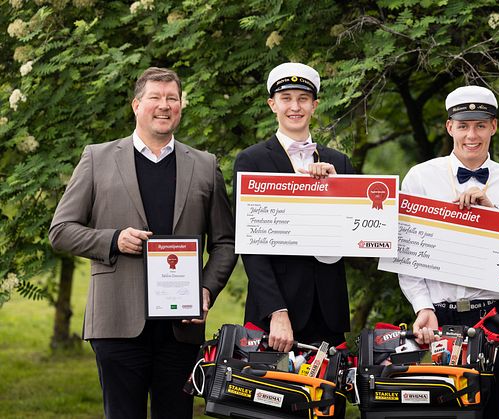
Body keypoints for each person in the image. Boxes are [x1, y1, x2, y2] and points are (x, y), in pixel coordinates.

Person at [49, 67, 237, 419]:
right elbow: (61, 230)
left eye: (172, 98)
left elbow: (225, 243)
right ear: (137, 105)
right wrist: (113, 239)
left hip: (181, 328)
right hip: (117, 319)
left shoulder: (204, 165)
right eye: (155, 97)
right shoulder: (97, 158)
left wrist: (207, 289)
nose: (164, 106)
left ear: (181, 106)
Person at [398, 85, 499, 419]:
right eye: (463, 125)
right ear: (449, 127)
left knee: (493, 408)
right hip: (436, 317)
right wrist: (422, 307)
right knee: (439, 410)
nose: (472, 135)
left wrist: (492, 213)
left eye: (480, 125)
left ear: (494, 127)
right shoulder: (420, 177)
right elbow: (408, 254)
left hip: (491, 317)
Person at [234, 62, 354, 352]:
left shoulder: (340, 163)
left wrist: (338, 190)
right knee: (274, 396)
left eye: (302, 99)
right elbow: (251, 248)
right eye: (286, 98)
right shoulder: (252, 161)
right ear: (272, 104)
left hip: (328, 314)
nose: (295, 107)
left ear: (314, 105)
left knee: (325, 397)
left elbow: (358, 239)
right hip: (274, 316)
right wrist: (276, 311)